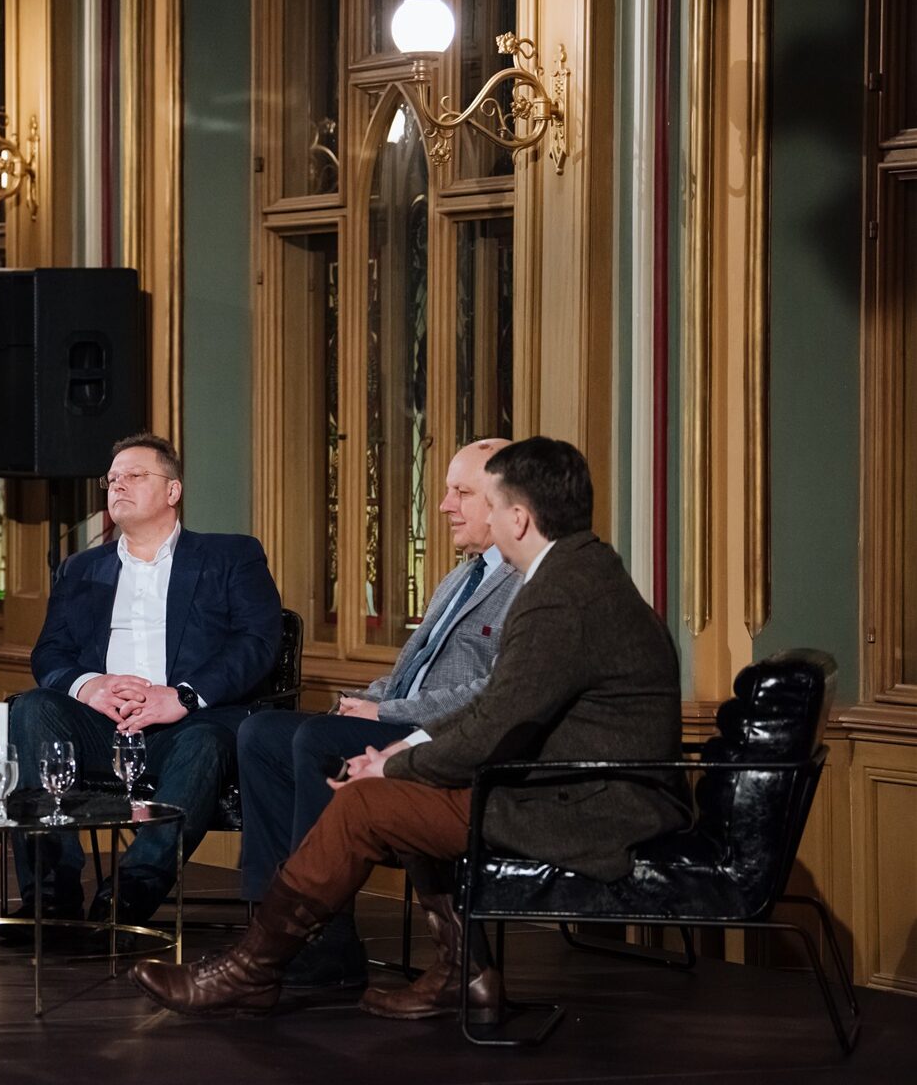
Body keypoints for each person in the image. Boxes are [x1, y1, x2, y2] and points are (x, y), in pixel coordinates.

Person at [130, 436, 690, 1018]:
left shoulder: (560, 597)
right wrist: (400, 755)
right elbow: (499, 713)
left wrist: (394, 760)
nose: (475, 516)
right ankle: (461, 972)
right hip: (558, 784)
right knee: (385, 785)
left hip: (586, 805)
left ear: (519, 518)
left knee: (371, 800)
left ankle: (253, 969)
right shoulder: (580, 574)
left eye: (492, 505)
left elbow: (495, 718)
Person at [235, 438, 520, 987]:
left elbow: (494, 692)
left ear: (503, 503)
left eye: (461, 493)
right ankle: (270, 921)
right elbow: (411, 668)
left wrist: (384, 710)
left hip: (444, 738)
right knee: (261, 732)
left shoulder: (527, 583)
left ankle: (323, 939)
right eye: (446, 491)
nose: (444, 505)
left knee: (317, 741)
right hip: (398, 714)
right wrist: (362, 701)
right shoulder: (460, 576)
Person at [8, 433, 282, 929]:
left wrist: (182, 697)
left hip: (187, 724)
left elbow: (257, 642)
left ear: (173, 490)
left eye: (134, 476)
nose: (118, 485)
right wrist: (89, 685)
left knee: (206, 742)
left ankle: (128, 896)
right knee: (32, 707)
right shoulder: (80, 568)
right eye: (112, 479)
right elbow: (49, 652)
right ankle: (50, 901)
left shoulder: (230, 556)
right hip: (101, 724)